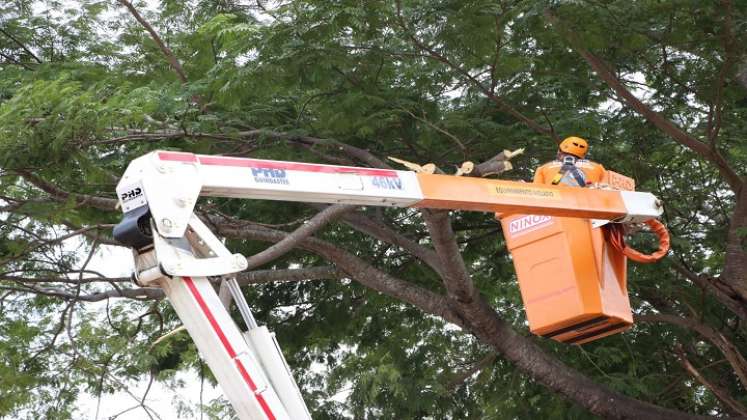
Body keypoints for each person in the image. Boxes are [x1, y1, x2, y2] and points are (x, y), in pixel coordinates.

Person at [533, 136, 606, 187]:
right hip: (588, 206)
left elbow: (537, 192)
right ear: (583, 155)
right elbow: (609, 191)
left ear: (559, 151)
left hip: (555, 205)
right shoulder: (598, 168)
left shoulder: (544, 168)